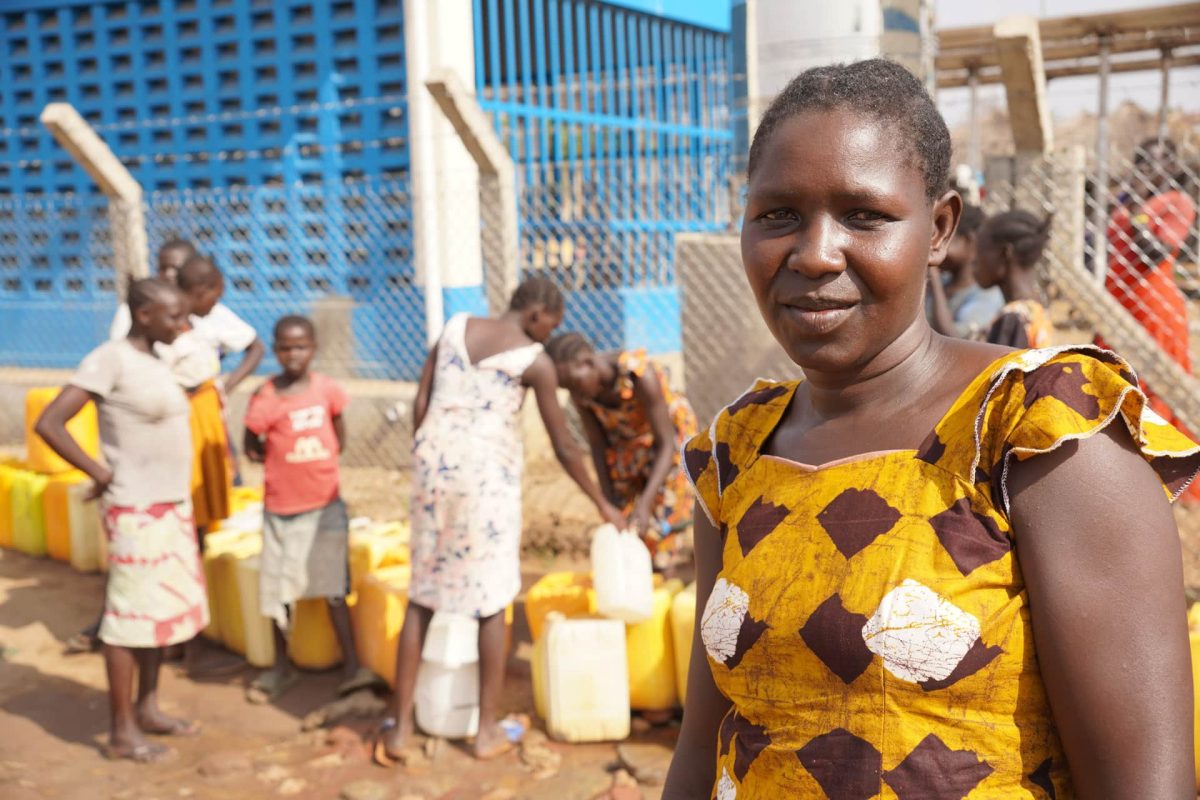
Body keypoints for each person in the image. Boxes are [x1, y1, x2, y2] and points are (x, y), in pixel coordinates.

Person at [663, 59, 1197, 798]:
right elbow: (704, 741)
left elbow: (1144, 787)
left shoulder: (1035, 430)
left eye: (863, 216)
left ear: (940, 228)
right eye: (778, 214)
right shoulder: (735, 451)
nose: (815, 253)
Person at [374, 277, 624, 764]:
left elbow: (421, 402)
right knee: (491, 600)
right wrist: (601, 502)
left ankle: (400, 729)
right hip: (485, 481)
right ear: (536, 314)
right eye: (552, 324)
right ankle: (485, 731)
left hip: (433, 470)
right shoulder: (534, 360)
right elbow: (564, 445)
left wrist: (430, 454)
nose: (550, 334)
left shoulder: (453, 327)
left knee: (423, 595)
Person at [35, 279, 208, 763]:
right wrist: (100, 472)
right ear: (144, 314)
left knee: (155, 619)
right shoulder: (110, 359)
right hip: (137, 511)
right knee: (128, 622)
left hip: (169, 507)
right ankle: (121, 733)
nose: (185, 325)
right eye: (174, 316)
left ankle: (148, 708)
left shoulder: (157, 360)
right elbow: (49, 422)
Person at [242, 315, 377, 702]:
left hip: (325, 505)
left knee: (334, 585)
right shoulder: (266, 397)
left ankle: (352, 667)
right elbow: (251, 443)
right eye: (285, 348)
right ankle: (280, 667)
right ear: (276, 349)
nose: (293, 355)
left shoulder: (327, 390)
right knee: (277, 590)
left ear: (314, 349)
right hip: (282, 508)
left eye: (300, 347)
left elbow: (340, 433)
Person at [545, 333, 698, 568]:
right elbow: (598, 447)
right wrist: (609, 503)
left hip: (670, 440)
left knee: (663, 508)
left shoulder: (638, 374)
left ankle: (665, 571)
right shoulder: (583, 393)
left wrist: (646, 503)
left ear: (587, 363)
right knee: (627, 516)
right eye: (567, 389)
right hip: (629, 443)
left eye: (574, 384)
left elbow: (667, 443)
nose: (574, 394)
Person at [1100, 137, 1198, 427]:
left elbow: (1154, 253)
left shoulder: (1178, 202)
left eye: (1151, 161)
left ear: (1171, 166)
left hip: (1153, 307)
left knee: (1156, 392)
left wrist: (1137, 211)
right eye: (1140, 160)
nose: (1143, 168)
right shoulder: (1129, 201)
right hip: (1117, 304)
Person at [173, 254, 265, 533]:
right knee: (185, 479)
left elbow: (255, 347)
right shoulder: (167, 318)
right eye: (215, 296)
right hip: (175, 413)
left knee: (216, 475)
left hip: (207, 408)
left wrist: (226, 386)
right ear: (201, 293)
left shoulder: (213, 317)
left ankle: (212, 535)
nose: (216, 303)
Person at [972, 209, 1054, 349]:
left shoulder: (1013, 320)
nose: (973, 261)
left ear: (1005, 253)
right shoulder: (1033, 309)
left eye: (980, 252)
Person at [925, 203, 1003, 339]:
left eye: (944, 238)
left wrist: (935, 281)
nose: (934, 246)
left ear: (968, 240)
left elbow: (953, 340)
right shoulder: (944, 283)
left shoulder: (986, 295)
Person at [107, 239, 197, 340]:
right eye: (163, 268)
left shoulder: (209, 312)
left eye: (176, 268)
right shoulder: (133, 309)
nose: (169, 274)